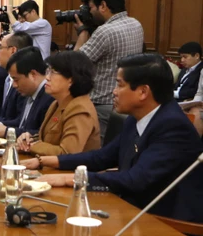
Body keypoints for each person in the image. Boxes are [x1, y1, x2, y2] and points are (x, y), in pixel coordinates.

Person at [23, 54, 203, 224]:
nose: (114, 92)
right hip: (134, 212)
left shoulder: (172, 126)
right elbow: (101, 158)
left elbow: (135, 180)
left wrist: (71, 179)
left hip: (169, 225)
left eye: (119, 85)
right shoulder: (137, 117)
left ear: (142, 92)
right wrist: (49, 161)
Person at [74, 0, 144, 142]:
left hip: (102, 104)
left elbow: (75, 63)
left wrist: (83, 32)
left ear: (103, 6)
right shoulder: (136, 24)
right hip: (127, 100)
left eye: (91, 7)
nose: (90, 12)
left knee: (99, 150)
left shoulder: (105, 32)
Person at [15, 51, 100, 155]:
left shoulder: (80, 109)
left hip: (72, 170)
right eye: (48, 71)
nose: (47, 77)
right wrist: (29, 139)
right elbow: (48, 138)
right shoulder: (56, 103)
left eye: (53, 73)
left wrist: (32, 146)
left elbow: (67, 153)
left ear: (71, 80)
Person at [0, 47, 55, 138]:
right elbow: (21, 123)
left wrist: (7, 131)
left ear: (33, 74)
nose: (14, 85)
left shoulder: (50, 97)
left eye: (16, 80)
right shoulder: (30, 92)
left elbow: (42, 134)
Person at [0, 32, 34, 128]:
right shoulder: (7, 78)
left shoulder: (26, 80)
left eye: (0, 47)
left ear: (13, 50)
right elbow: (6, 115)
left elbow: (20, 121)